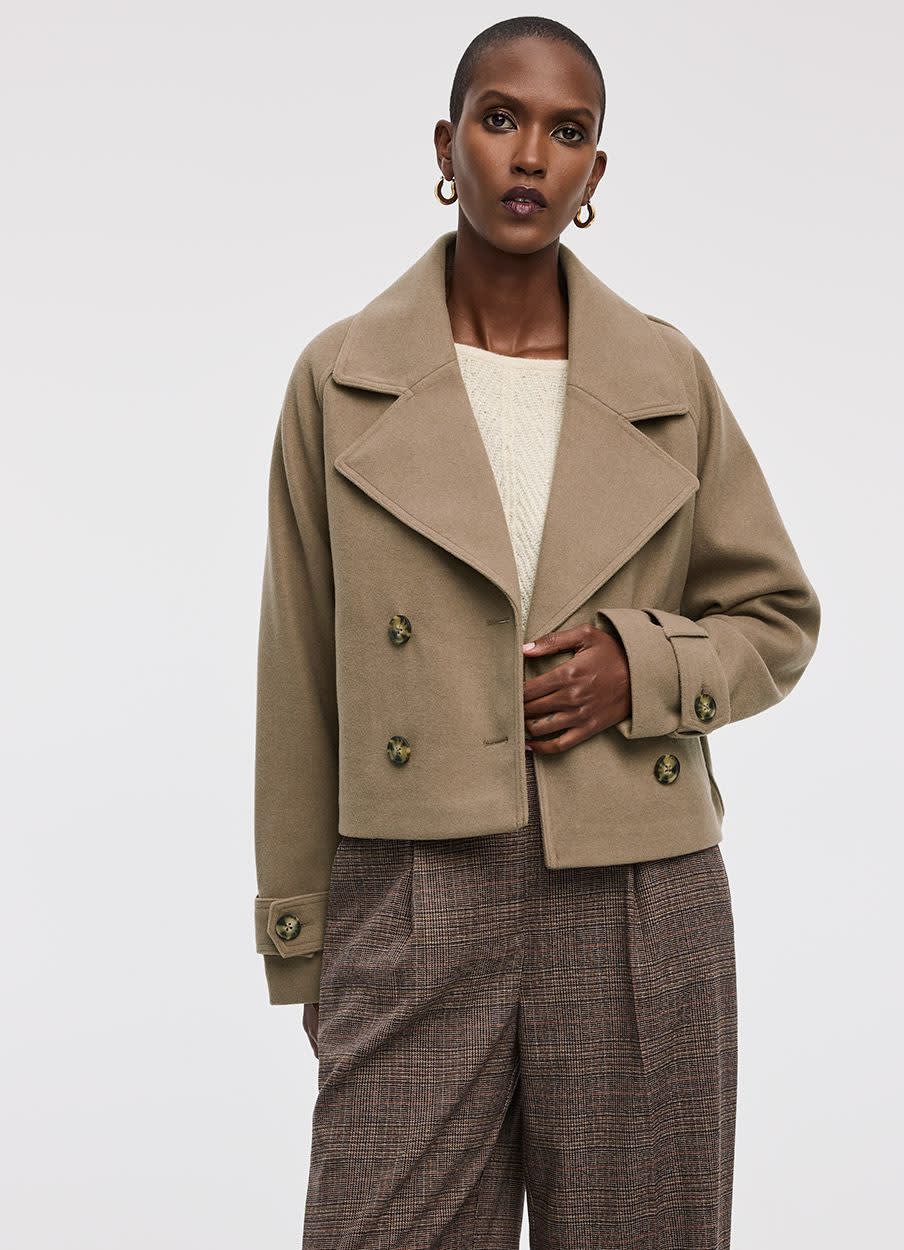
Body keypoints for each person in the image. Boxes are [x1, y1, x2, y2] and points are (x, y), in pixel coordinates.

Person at [252, 16, 821, 1249]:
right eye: (500, 118)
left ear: (594, 172)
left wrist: (643, 666)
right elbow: (297, 675)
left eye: (568, 133)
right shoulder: (338, 378)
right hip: (409, 891)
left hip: (636, 889)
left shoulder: (667, 377)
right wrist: (304, 935)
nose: (529, 156)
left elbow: (776, 614)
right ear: (446, 144)